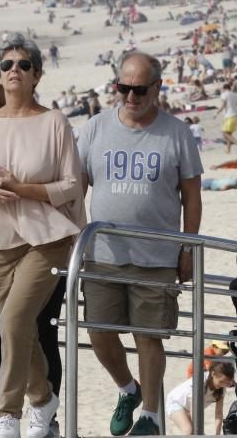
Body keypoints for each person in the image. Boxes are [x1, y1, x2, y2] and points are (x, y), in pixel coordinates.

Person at [0, 34, 86, 438]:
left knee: (13, 320)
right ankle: (44, 397)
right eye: (7, 65)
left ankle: (8, 415)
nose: (14, 70)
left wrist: (20, 189)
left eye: (23, 65)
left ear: (37, 74)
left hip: (46, 238)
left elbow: (71, 185)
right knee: (20, 328)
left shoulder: (53, 122)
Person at [77, 51, 203, 436]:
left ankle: (150, 414)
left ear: (157, 88)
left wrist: (187, 248)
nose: (131, 96)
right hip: (103, 253)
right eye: (123, 88)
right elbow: (77, 187)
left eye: (139, 89)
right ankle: (127, 389)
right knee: (98, 330)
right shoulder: (95, 128)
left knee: (148, 336)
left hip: (157, 254)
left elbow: (192, 198)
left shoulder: (176, 133)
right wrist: (79, 237)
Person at [164, 361, 236, 436]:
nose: (223, 385)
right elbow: (194, 412)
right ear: (213, 374)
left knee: (197, 432)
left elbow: (218, 413)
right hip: (176, 402)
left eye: (227, 383)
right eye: (221, 382)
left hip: (188, 408)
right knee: (188, 430)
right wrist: (201, 432)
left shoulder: (222, 389)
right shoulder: (199, 382)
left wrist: (217, 433)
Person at [214, 82, 237, 153]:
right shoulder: (235, 95)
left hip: (229, 116)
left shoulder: (224, 95)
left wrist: (216, 113)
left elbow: (223, 105)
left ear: (224, 88)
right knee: (229, 134)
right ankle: (228, 150)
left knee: (224, 133)